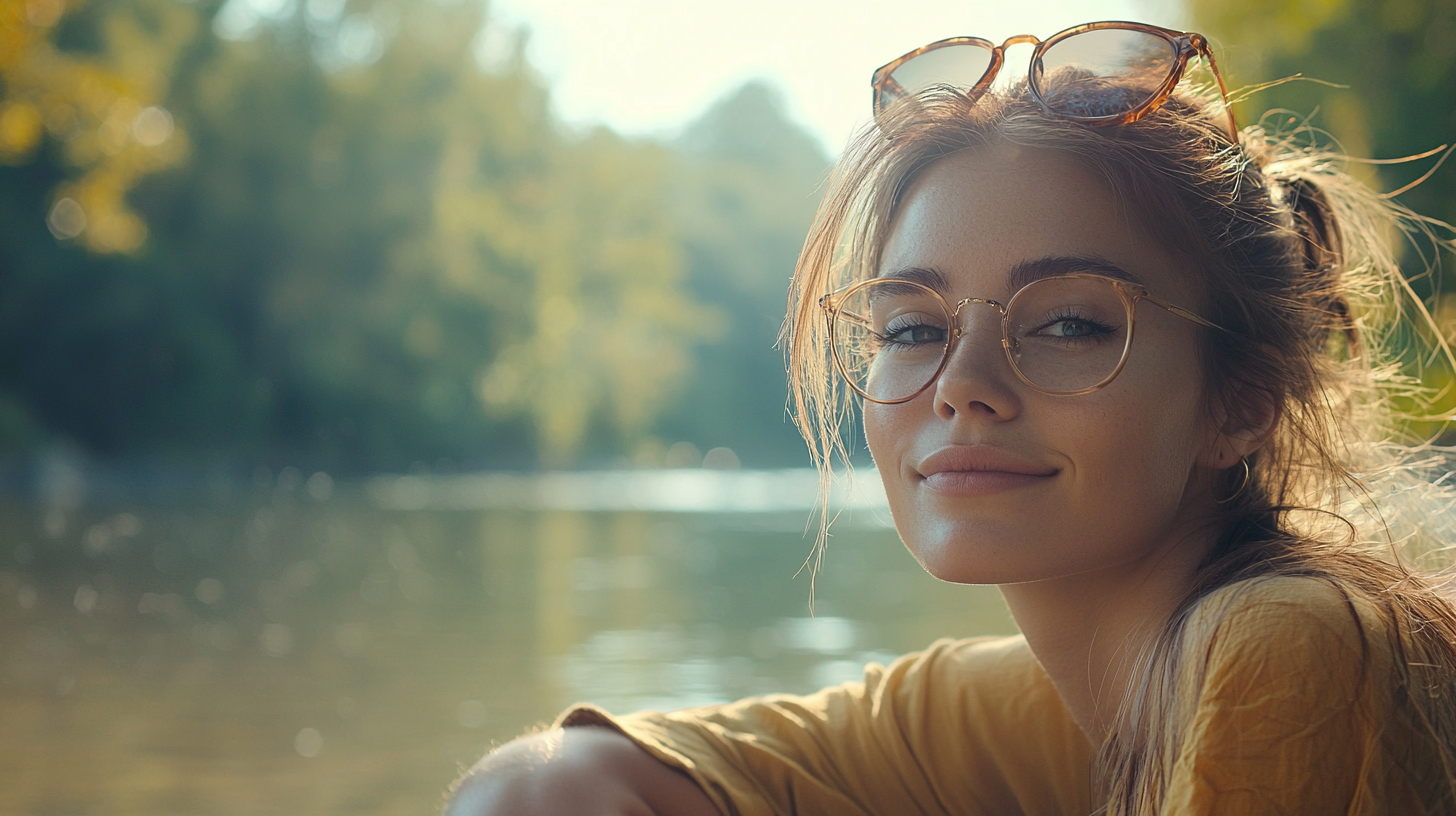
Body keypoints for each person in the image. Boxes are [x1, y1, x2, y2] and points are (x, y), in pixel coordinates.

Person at [447, 22, 1456, 815]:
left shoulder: (1289, 645)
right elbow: (550, 790)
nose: (960, 384)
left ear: (1238, 403)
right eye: (912, 326)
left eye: (1066, 322)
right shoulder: (1064, 698)